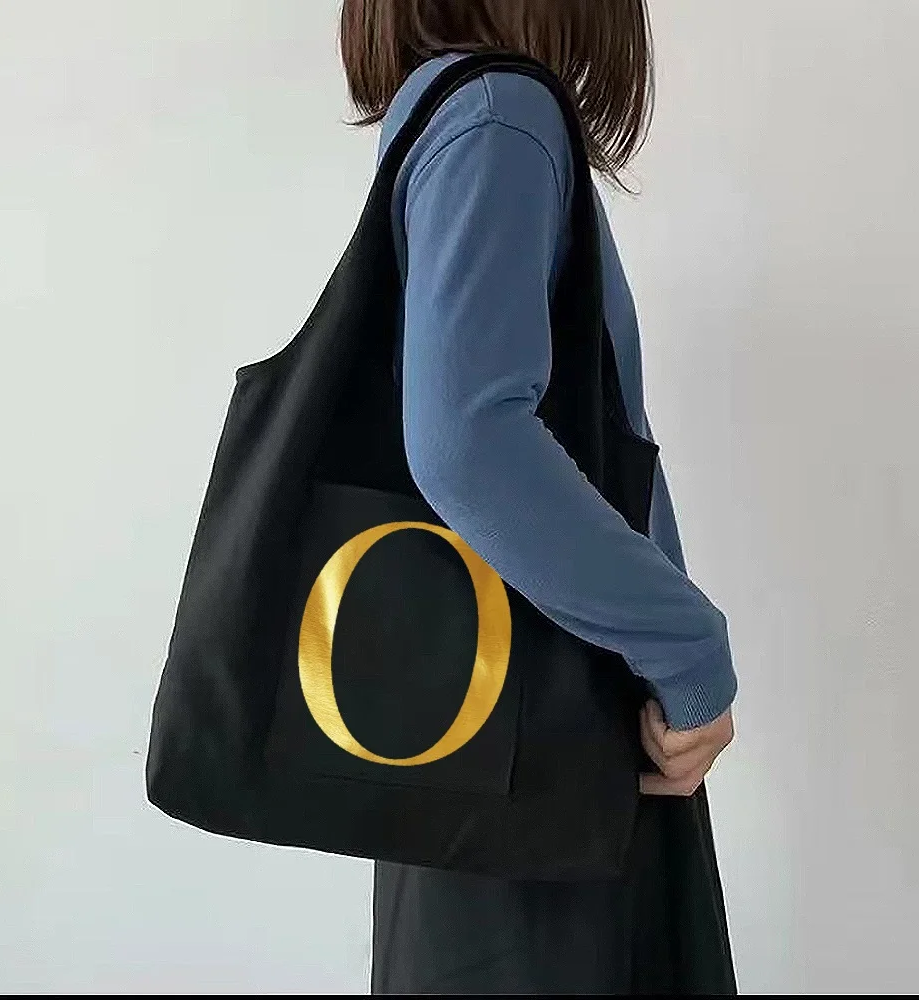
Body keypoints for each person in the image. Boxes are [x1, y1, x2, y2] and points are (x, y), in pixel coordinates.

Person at [339, 1, 739, 994]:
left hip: (481, 745)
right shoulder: (498, 114)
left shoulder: (450, 109)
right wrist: (689, 653)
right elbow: (469, 443)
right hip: (550, 765)